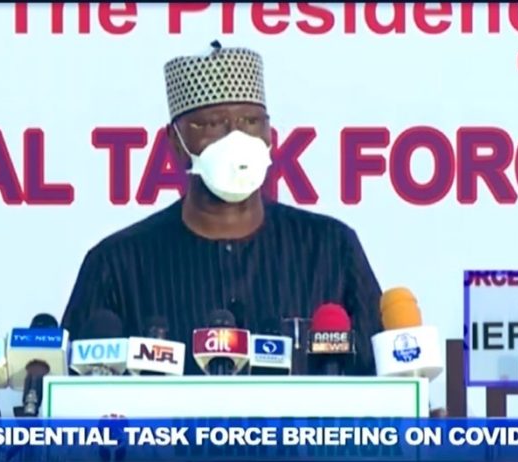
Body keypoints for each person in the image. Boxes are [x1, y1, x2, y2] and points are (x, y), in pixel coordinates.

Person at [61, 40, 383, 376]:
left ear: (269, 134)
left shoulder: (332, 249)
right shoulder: (115, 264)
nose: (236, 138)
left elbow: (383, 384)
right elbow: (70, 392)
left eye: (251, 121)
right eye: (213, 124)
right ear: (175, 142)